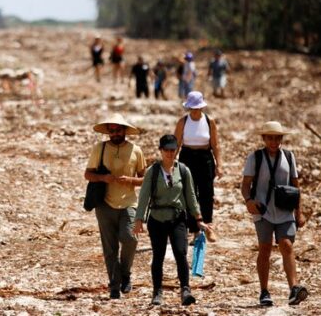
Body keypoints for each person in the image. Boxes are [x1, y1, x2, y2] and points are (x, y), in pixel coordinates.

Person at [133, 134, 212, 306]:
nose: (170, 153)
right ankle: (157, 292)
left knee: (180, 253)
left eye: (173, 150)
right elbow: (144, 197)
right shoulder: (152, 172)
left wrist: (198, 218)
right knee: (158, 256)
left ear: (177, 150)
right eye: (166, 150)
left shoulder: (183, 170)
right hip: (157, 219)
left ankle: (185, 290)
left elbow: (191, 195)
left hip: (177, 219)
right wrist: (138, 219)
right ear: (161, 151)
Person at [241, 121, 308, 307]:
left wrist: (299, 212)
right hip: (263, 211)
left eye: (277, 138)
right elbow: (245, 185)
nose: (273, 141)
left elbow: (296, 186)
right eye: (269, 137)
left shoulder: (289, 156)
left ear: (281, 139)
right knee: (265, 248)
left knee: (286, 245)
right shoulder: (255, 157)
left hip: (284, 210)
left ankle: (294, 288)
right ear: (264, 139)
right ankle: (264, 291)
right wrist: (249, 201)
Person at [84, 113, 146, 300]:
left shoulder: (136, 150)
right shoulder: (100, 149)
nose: (115, 134)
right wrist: (104, 178)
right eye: (111, 131)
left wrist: (130, 180)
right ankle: (114, 285)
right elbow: (88, 174)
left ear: (125, 131)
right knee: (109, 248)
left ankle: (125, 273)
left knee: (130, 239)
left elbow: (144, 179)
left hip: (129, 203)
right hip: (104, 204)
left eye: (118, 130)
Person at [174, 91, 222, 243]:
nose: (195, 111)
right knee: (189, 193)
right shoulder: (183, 121)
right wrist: (171, 162)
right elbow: (176, 144)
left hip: (205, 158)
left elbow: (215, 144)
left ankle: (208, 227)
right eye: (192, 108)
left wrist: (219, 164)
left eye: (197, 108)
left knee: (207, 193)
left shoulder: (209, 121)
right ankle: (194, 229)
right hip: (187, 157)